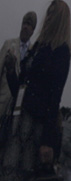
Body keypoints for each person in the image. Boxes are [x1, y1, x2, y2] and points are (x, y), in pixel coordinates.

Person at [1, 0, 71, 181]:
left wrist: (48, 141)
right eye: (49, 9)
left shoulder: (61, 50)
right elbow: (21, 83)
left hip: (37, 127)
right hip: (20, 123)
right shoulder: (39, 46)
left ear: (61, 18)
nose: (49, 13)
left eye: (54, 11)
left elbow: (55, 95)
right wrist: (9, 70)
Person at [0, 12, 36, 142]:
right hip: (3, 102)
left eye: (29, 25)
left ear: (33, 30)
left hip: (18, 109)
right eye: (24, 23)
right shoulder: (9, 44)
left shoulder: (34, 52)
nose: (25, 27)